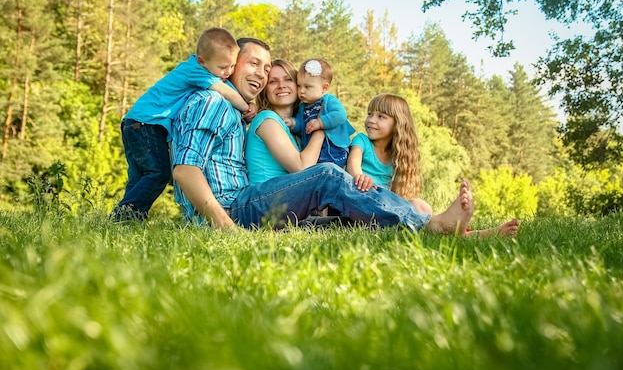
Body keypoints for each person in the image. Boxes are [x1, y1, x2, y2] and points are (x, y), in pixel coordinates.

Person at [171, 46, 474, 235]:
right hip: (235, 208)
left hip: (257, 204)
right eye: (259, 68)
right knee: (327, 175)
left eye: (281, 76)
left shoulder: (247, 114)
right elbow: (185, 169)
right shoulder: (217, 103)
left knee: (352, 217)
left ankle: (443, 225)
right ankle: (431, 224)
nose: (269, 79)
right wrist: (227, 228)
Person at [111, 27, 256, 221]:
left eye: (232, 67)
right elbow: (226, 92)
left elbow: (227, 86)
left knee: (140, 177)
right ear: (202, 61)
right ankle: (130, 216)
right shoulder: (196, 71)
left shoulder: (202, 68)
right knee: (159, 173)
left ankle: (121, 220)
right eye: (223, 68)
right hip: (147, 125)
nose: (228, 72)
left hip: (134, 123)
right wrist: (246, 108)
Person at [347, 92, 519, 237]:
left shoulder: (395, 155)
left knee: (420, 206)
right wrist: (359, 176)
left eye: (381, 116)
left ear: (397, 125)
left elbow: (396, 194)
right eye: (370, 114)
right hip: (362, 197)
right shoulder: (362, 140)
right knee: (418, 209)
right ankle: (453, 228)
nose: (371, 120)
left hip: (383, 203)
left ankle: (467, 233)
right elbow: (353, 160)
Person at [282, 58, 355, 167]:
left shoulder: (328, 100)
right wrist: (293, 123)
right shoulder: (302, 107)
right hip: (315, 154)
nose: (301, 91)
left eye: (307, 87)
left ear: (324, 88)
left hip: (334, 150)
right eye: (299, 86)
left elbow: (340, 115)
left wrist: (320, 123)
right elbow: (302, 126)